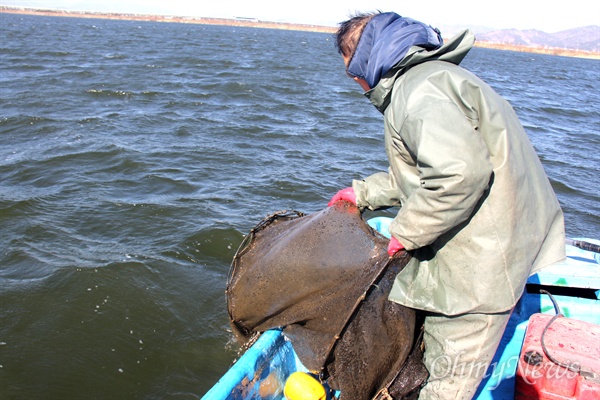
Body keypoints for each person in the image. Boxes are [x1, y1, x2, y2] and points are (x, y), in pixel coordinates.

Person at [328, 11, 566, 399]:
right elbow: (429, 174)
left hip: (482, 269)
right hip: (500, 243)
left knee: (448, 382)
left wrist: (405, 232)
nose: (355, 81)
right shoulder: (435, 78)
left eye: (350, 69)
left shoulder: (417, 92)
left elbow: (460, 176)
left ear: (366, 60)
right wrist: (365, 193)